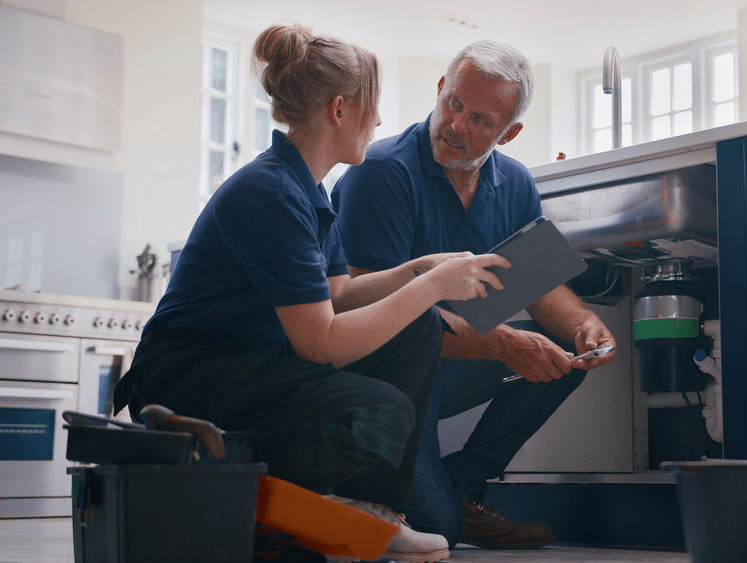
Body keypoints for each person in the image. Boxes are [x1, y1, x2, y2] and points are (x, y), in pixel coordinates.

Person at [112, 24, 510, 563]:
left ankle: (369, 510)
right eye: (373, 106)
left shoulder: (307, 188)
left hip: (249, 367)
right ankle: (284, 494)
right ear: (341, 109)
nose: (380, 120)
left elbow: (340, 294)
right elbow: (321, 344)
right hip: (191, 375)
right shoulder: (272, 193)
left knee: (418, 328)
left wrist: (417, 269)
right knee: (380, 411)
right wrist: (434, 286)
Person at [332, 40, 617, 550]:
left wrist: (581, 326)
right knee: (438, 532)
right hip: (380, 382)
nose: (457, 126)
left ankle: (463, 488)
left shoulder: (513, 183)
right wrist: (504, 344)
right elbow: (373, 322)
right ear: (441, 89)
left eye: (481, 119)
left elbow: (540, 285)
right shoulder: (380, 172)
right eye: (454, 103)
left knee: (565, 356)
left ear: (510, 132)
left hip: (446, 364)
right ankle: (363, 486)